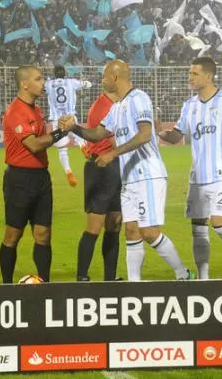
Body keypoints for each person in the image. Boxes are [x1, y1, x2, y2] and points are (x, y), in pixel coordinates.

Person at [63, 60, 193, 282]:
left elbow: (144, 134)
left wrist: (113, 154)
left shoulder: (138, 98)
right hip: (130, 178)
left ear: (114, 77)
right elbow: (97, 134)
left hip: (148, 174)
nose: (102, 81)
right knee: (131, 232)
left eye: (104, 76)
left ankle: (183, 274)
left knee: (149, 232)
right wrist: (73, 127)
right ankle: (134, 286)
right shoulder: (116, 107)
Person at [158, 56, 222, 279]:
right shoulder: (189, 106)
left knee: (218, 223)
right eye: (190, 73)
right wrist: (157, 131)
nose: (190, 77)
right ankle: (203, 277)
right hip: (197, 176)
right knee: (198, 228)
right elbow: (175, 136)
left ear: (208, 76)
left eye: (194, 73)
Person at [0, 65, 66, 283]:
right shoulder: (15, 112)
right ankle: (6, 286)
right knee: (13, 235)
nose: (43, 82)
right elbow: (35, 145)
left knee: (43, 235)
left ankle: (44, 284)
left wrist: (56, 132)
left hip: (40, 178)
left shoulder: (36, 110)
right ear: (24, 84)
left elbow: (43, 141)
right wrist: (61, 132)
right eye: (38, 79)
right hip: (19, 179)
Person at [74, 88, 122, 282]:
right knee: (95, 225)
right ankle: (82, 276)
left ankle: (109, 279)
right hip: (101, 167)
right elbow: (115, 139)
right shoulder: (103, 107)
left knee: (115, 222)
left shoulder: (117, 104)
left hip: (116, 165)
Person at [45, 66, 91, 186]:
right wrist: (88, 83)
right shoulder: (72, 82)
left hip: (57, 119)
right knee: (78, 133)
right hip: (70, 116)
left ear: (54, 74)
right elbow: (87, 84)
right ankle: (82, 146)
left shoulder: (48, 84)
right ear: (64, 73)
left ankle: (68, 172)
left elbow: (39, 89)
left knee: (62, 148)